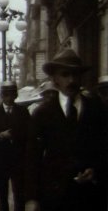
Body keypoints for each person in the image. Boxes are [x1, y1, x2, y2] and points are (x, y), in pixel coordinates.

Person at [25, 48, 107, 211]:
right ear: (54, 78)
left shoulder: (97, 108)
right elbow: (32, 157)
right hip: (54, 196)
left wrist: (96, 170)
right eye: (65, 75)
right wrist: (31, 198)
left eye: (75, 75)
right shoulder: (43, 113)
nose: (71, 80)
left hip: (90, 196)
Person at [0, 81, 29, 211]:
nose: (10, 98)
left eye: (12, 95)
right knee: (2, 194)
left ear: (16, 95)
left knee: (19, 194)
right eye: (6, 95)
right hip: (0, 159)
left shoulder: (23, 111)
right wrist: (0, 135)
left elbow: (29, 133)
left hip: (18, 159)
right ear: (1, 96)